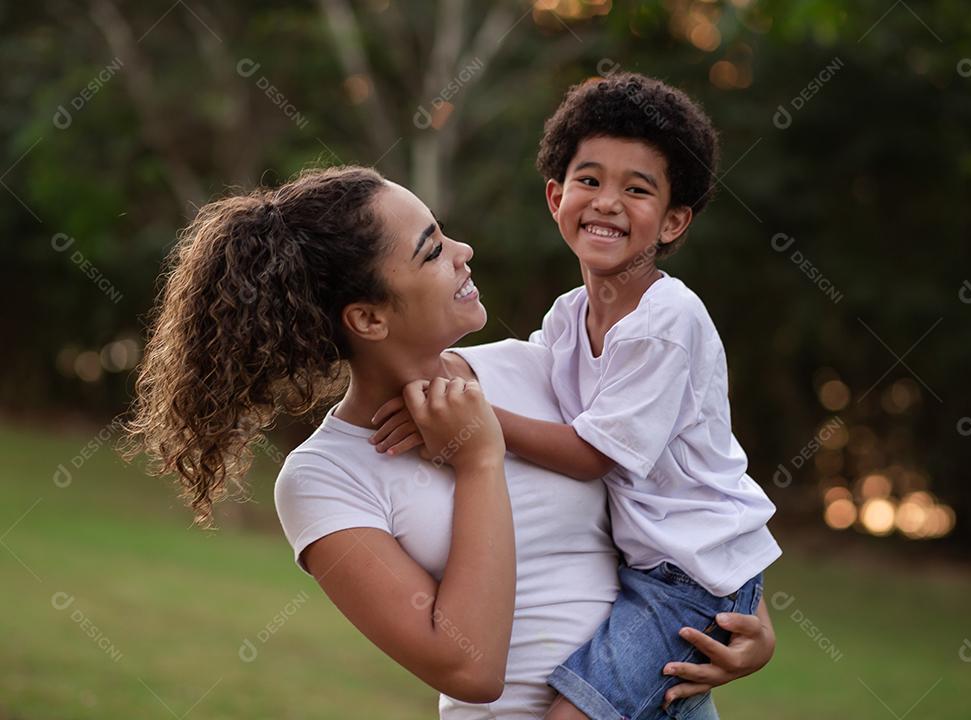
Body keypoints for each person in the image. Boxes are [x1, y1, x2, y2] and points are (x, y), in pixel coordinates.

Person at [124, 165, 775, 719]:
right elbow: (469, 669)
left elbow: (676, 486)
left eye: (445, 234)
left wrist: (746, 617)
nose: (464, 251)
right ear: (368, 317)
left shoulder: (541, 368)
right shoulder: (324, 479)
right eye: (431, 251)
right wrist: (478, 460)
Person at [374, 72, 781, 720]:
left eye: (637, 189)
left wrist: (470, 420)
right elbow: (519, 378)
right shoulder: (568, 317)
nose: (608, 203)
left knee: (573, 713)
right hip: (648, 569)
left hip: (692, 578)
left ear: (674, 220)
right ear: (556, 196)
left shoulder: (666, 322)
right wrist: (427, 384)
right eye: (589, 180)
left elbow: (594, 455)